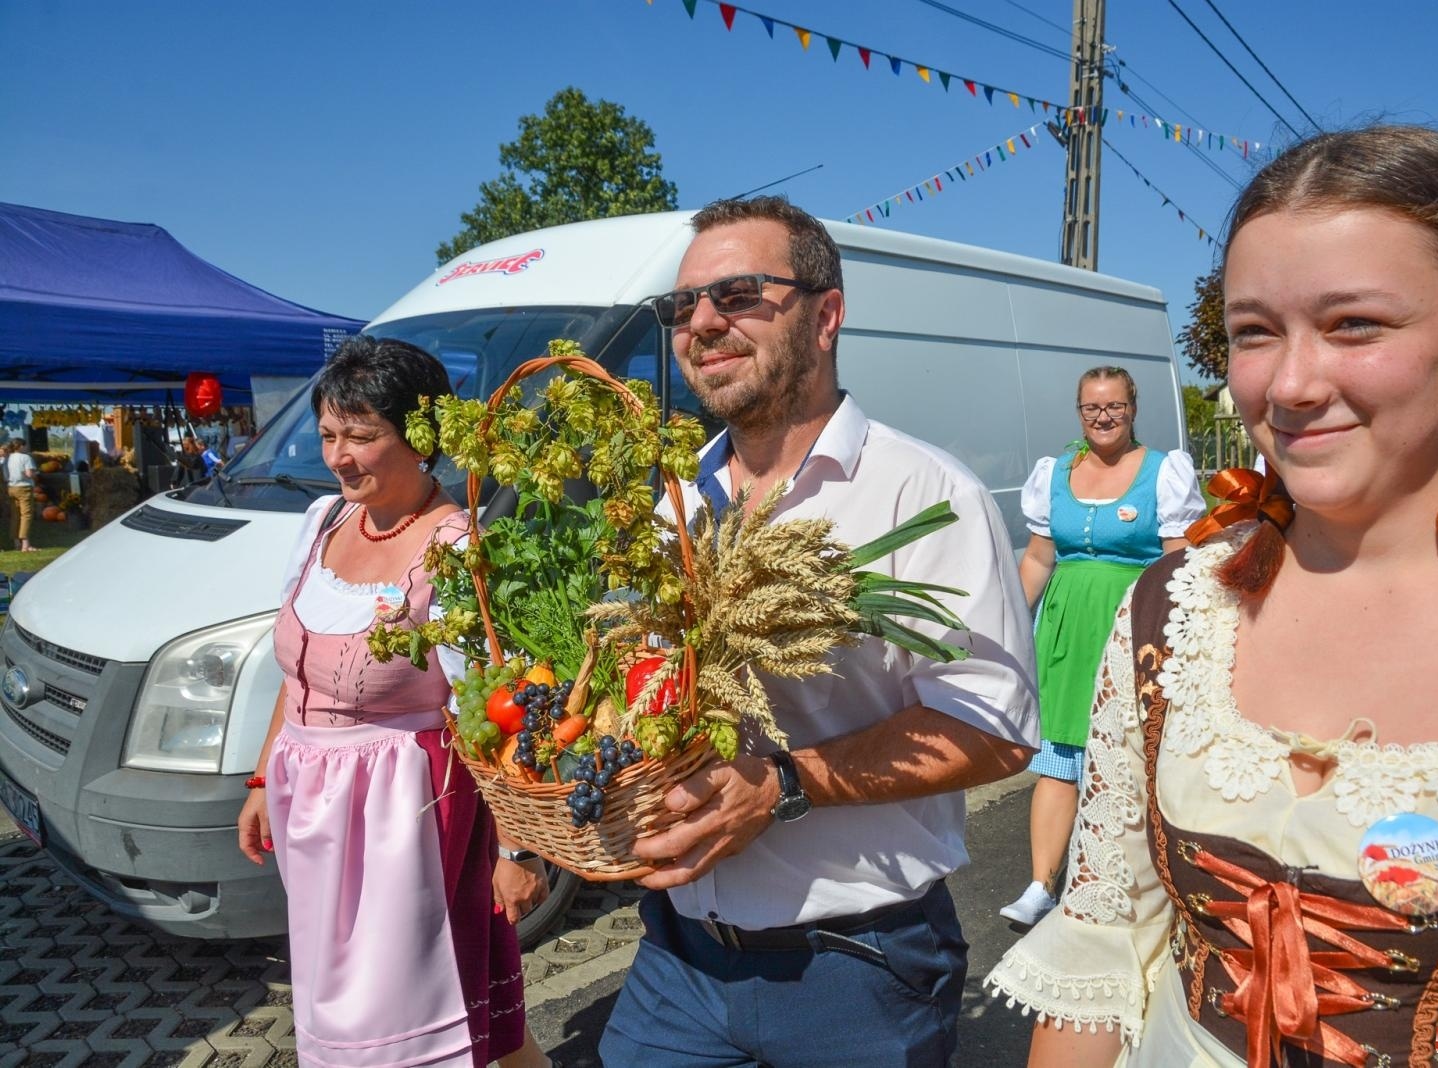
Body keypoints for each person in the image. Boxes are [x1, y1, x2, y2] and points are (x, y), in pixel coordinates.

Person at [986, 124, 1438, 1066]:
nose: (1292, 383)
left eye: (1355, 324)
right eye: (1254, 334)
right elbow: (1102, 946)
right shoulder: (1175, 608)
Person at [600, 196, 1040, 1067]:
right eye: (680, 306)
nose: (701, 323)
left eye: (736, 295)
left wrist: (783, 785)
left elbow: (994, 731)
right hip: (676, 964)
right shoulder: (674, 504)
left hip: (857, 972)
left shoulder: (922, 495)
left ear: (827, 313)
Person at [235, 336, 556, 1068]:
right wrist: (260, 779)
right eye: (327, 435)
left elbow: (492, 713)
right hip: (313, 811)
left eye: (362, 435)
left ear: (420, 439)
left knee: (408, 1015)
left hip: (403, 818)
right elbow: (298, 678)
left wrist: (517, 848)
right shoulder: (323, 522)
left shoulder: (453, 546)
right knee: (338, 1003)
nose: (339, 456)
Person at [998, 368, 1205, 926]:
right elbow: (1040, 558)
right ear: (1079, 411)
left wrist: (1175, 635)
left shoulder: (1163, 472)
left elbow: (1176, 562)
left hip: (1134, 626)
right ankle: (1042, 885)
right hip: (1066, 627)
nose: (1103, 416)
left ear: (1133, 409)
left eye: (1114, 406)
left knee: (1127, 760)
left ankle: (1123, 881)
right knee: (1059, 760)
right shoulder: (1056, 472)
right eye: (1091, 407)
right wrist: (1010, 623)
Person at [6, 437, 38, 552]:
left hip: (11, 487)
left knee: (15, 515)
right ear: (20, 446)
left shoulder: (8, 458)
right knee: (26, 515)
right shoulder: (26, 457)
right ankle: (25, 543)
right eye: (24, 445)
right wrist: (35, 474)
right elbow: (29, 473)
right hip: (24, 487)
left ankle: (16, 542)